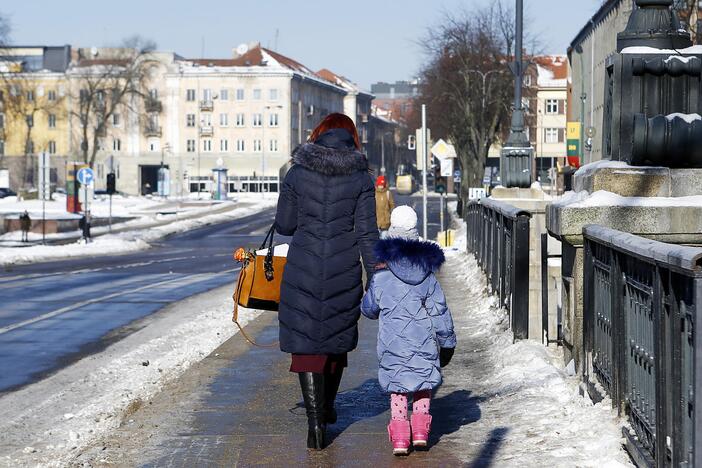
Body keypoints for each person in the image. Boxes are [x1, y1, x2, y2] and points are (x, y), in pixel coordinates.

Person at [275, 113, 379, 450]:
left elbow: (285, 225)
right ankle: (328, 407)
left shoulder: (297, 172)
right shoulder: (361, 178)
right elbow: (366, 232)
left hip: (303, 264)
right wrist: (375, 275)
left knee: (307, 345)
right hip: (344, 266)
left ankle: (315, 423)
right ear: (352, 138)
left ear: (317, 135)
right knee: (334, 340)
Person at [361, 205, 456, 456]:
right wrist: (447, 343)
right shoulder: (428, 275)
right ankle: (422, 433)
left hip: (393, 343)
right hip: (422, 340)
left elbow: (369, 309)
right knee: (423, 384)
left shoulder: (381, 276)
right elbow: (439, 311)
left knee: (398, 389)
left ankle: (401, 438)